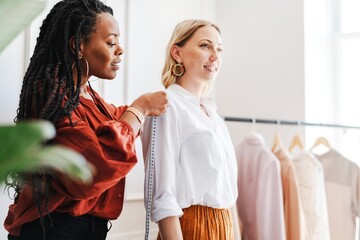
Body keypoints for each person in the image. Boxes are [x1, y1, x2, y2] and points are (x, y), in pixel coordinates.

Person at [4, 0, 167, 239]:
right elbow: (91, 170)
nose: (120, 50)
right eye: (111, 42)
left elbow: (117, 118)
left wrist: (150, 106)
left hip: (85, 230)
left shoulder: (89, 97)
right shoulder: (51, 97)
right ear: (78, 46)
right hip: (54, 231)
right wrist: (140, 109)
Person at [141, 19, 238, 240]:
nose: (215, 56)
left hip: (225, 227)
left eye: (219, 49)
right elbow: (162, 197)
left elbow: (229, 197)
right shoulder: (166, 106)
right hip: (191, 229)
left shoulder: (213, 114)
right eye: (205, 46)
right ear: (177, 52)